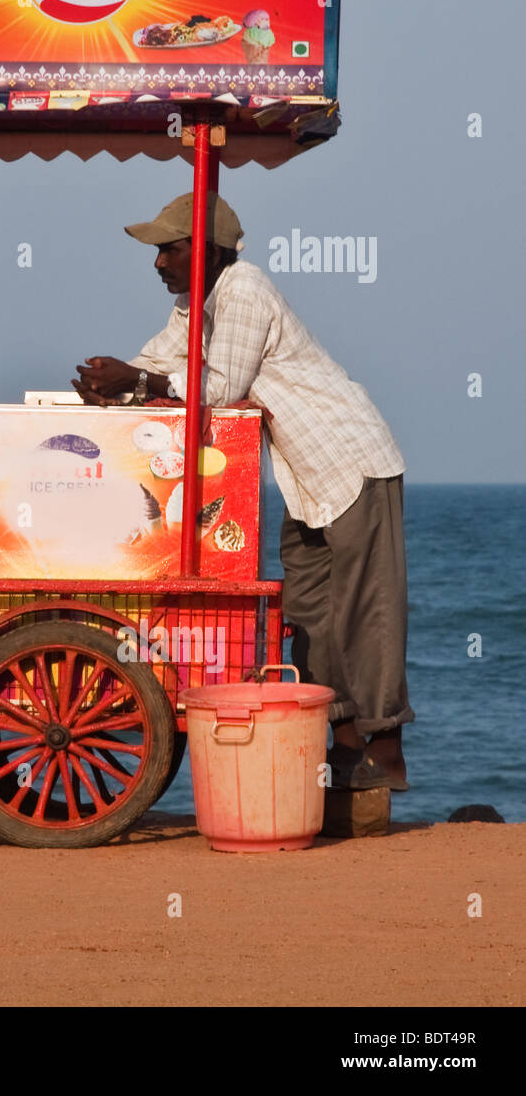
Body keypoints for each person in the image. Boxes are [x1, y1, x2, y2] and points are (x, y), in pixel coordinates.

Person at [71, 192, 412, 790]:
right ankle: (342, 748)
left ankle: (384, 755)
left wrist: (140, 380)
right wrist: (114, 383)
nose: (158, 262)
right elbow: (158, 364)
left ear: (207, 250)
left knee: (365, 611)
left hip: (349, 459)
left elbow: (220, 386)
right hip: (307, 478)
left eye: (169, 249)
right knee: (310, 613)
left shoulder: (245, 288)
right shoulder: (194, 305)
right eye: (157, 251)